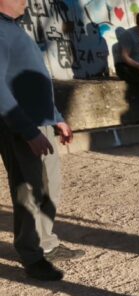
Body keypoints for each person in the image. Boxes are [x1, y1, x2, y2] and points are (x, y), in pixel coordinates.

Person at [0, 0, 82, 281]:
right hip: (22, 127)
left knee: (49, 185)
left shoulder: (13, 28)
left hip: (41, 122)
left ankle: (46, 243)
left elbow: (33, 82)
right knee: (29, 189)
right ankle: (31, 254)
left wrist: (56, 116)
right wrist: (27, 130)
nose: (25, 1)